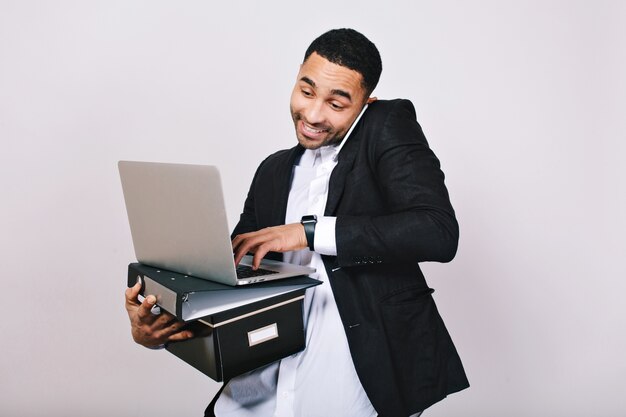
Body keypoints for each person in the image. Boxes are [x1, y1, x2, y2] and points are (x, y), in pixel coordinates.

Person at [125, 28, 469, 417]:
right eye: (306, 92)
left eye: (337, 104)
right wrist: (161, 330)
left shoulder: (384, 130)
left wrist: (308, 233)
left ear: (365, 104)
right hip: (255, 395)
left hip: (351, 392)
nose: (314, 114)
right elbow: (233, 282)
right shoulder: (272, 170)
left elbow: (437, 231)